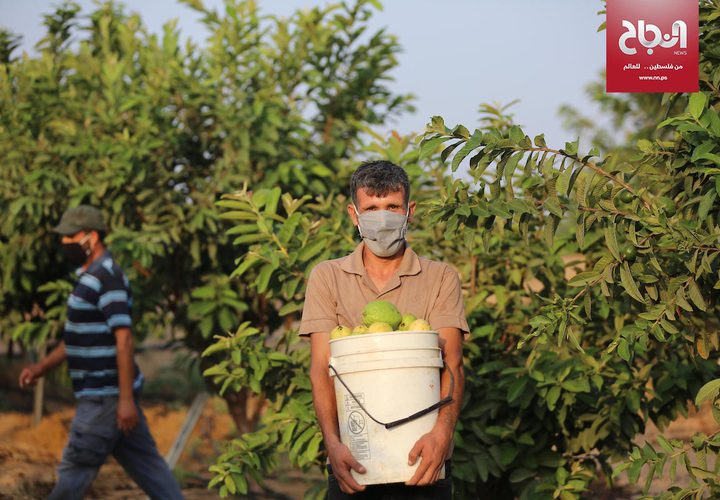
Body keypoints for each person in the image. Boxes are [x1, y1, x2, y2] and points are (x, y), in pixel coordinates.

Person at [300, 161, 469, 499]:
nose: (383, 217)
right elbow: (321, 369)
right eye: (371, 208)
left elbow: (452, 364)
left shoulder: (440, 277)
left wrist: (442, 435)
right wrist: (332, 445)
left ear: (410, 212)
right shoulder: (327, 277)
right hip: (355, 459)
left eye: (392, 207)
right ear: (353, 214)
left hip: (424, 462)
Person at [18, 205, 183, 500]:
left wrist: (125, 400)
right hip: (109, 400)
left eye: (70, 236)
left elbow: (124, 340)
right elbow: (75, 337)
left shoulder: (107, 278)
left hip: (102, 401)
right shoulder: (88, 278)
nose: (64, 243)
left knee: (73, 472)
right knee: (153, 472)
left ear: (91, 237)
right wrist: (41, 368)